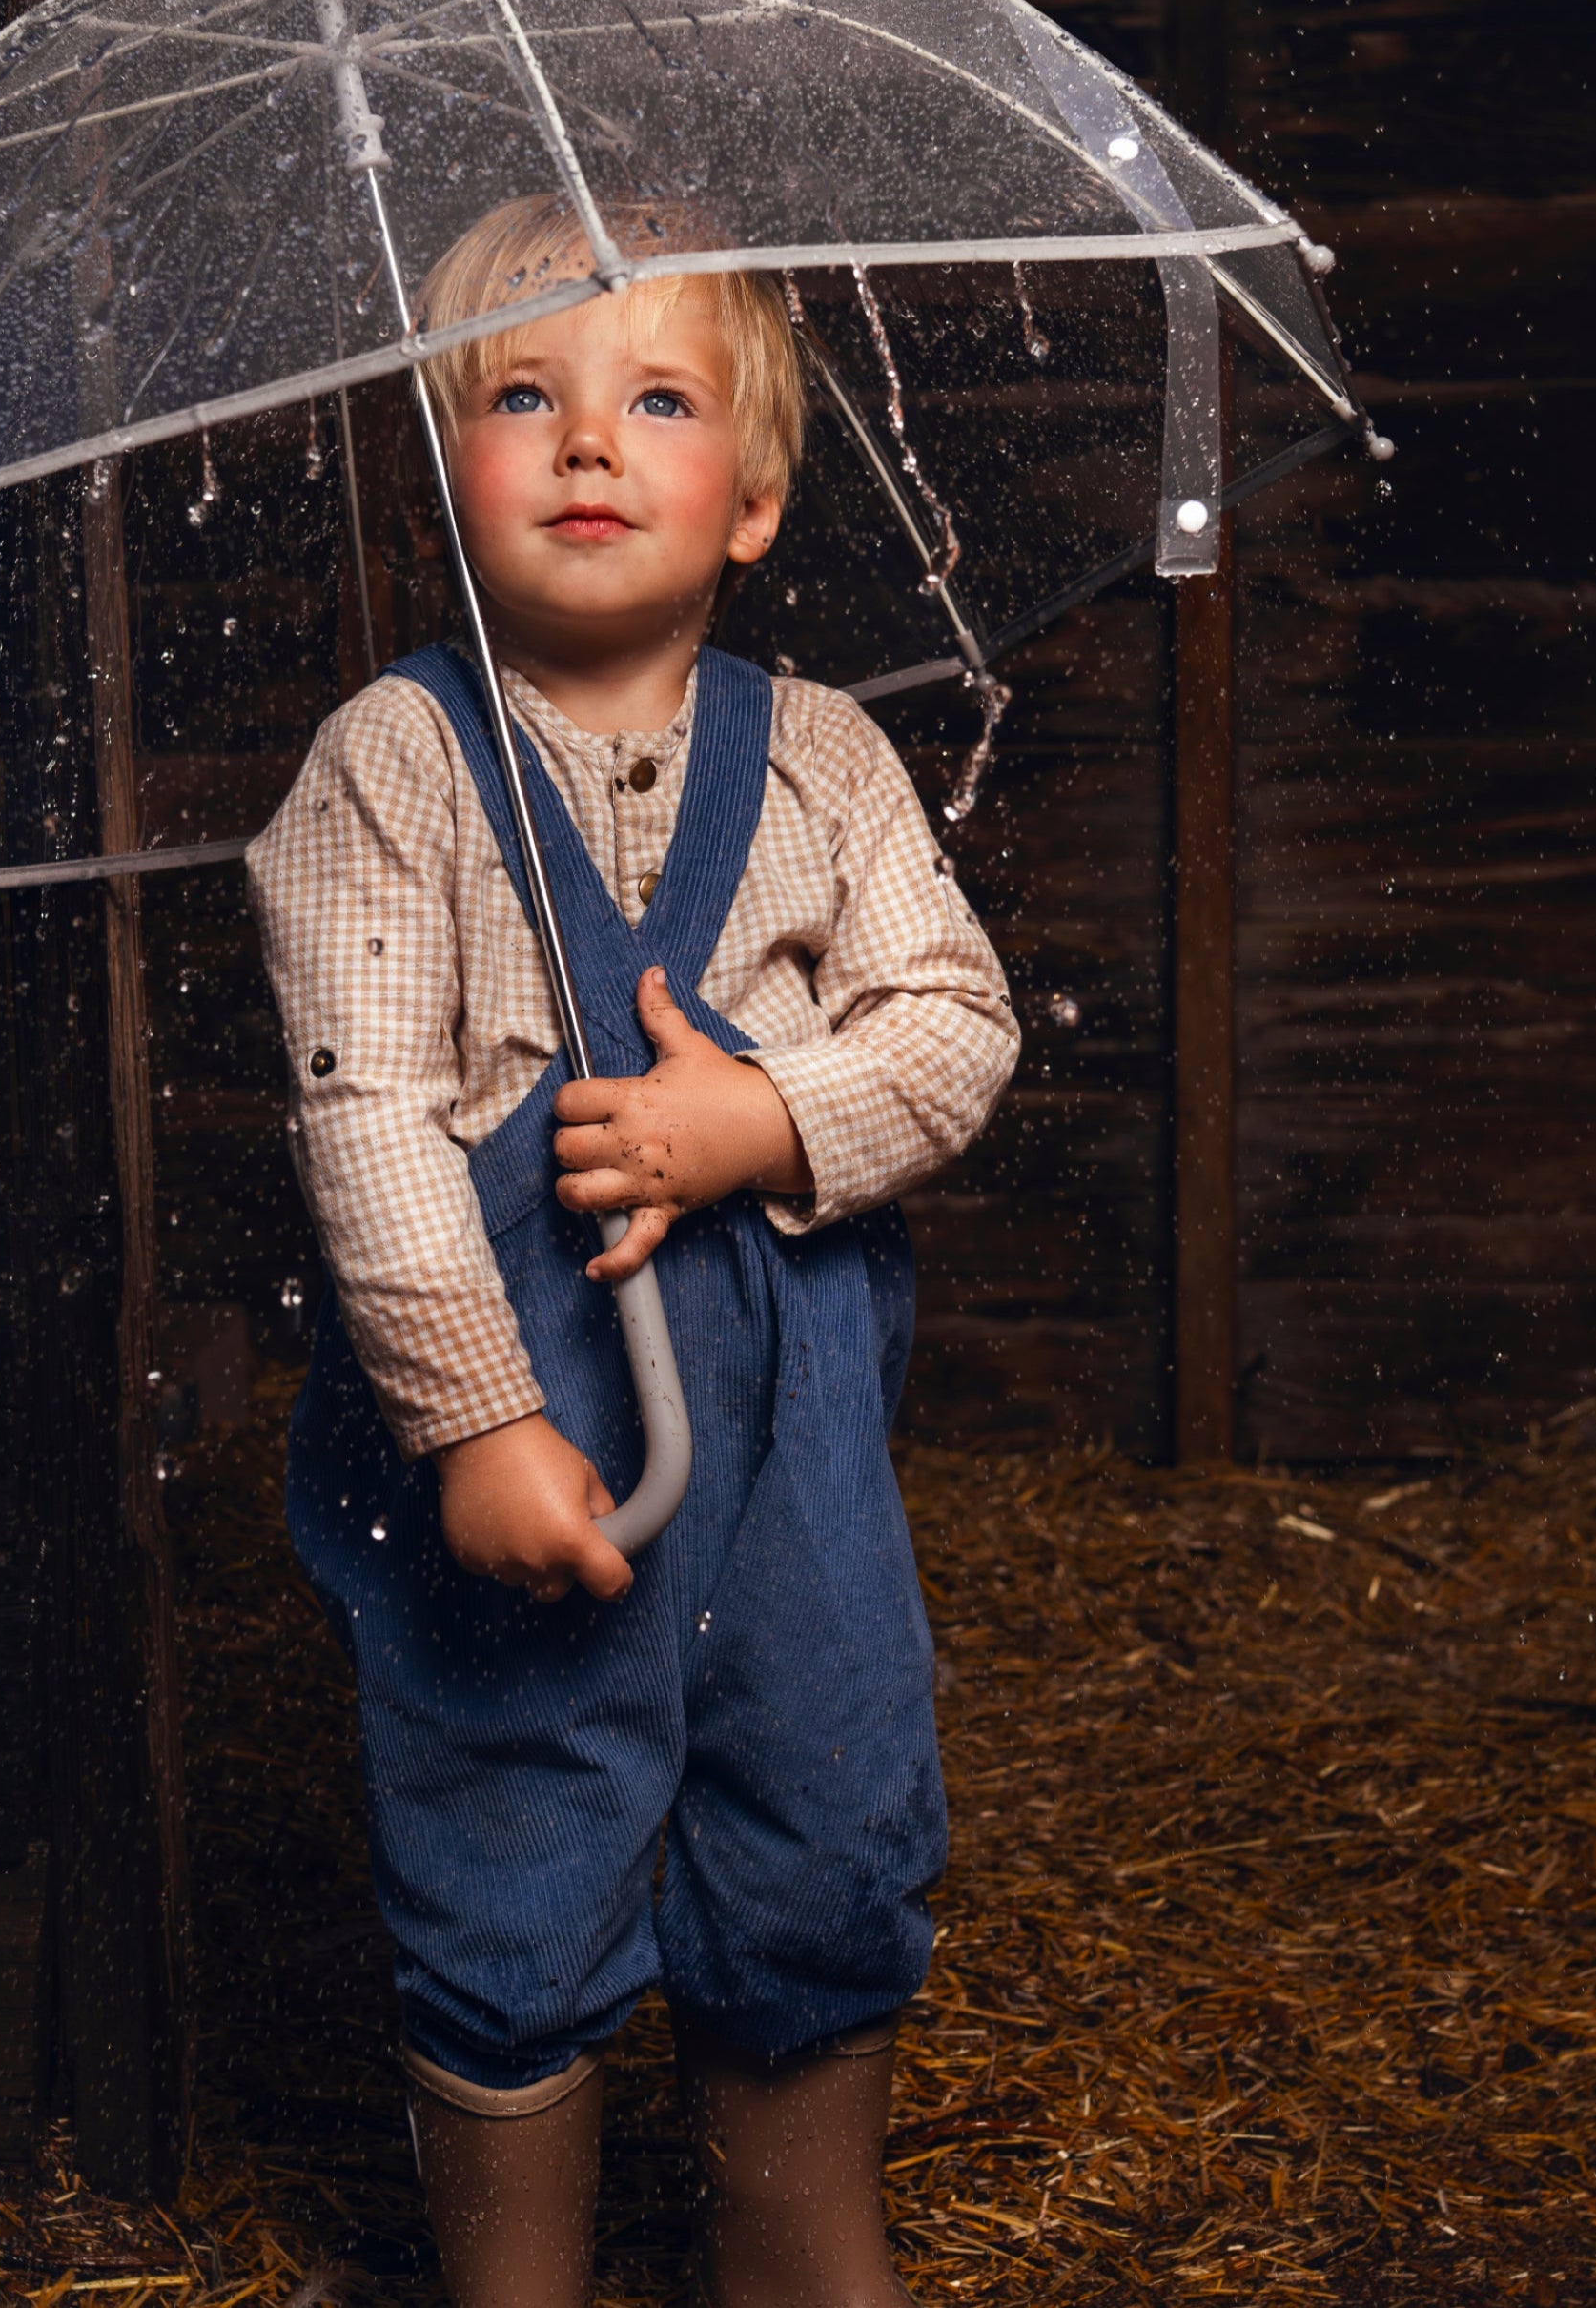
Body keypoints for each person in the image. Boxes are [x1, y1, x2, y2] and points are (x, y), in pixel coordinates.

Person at [245, 194, 1019, 2308]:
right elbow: (365, 1122)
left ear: (751, 499)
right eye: (524, 394)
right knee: (518, 1821)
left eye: (655, 397)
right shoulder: (385, 770)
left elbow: (955, 1029)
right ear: (444, 472)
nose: (589, 440)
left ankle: (797, 2245)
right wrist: (478, 1421)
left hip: (789, 1467)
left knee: (827, 1796)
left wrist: (751, 1115)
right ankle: (519, 2276)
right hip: (535, 1449)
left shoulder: (830, 763)